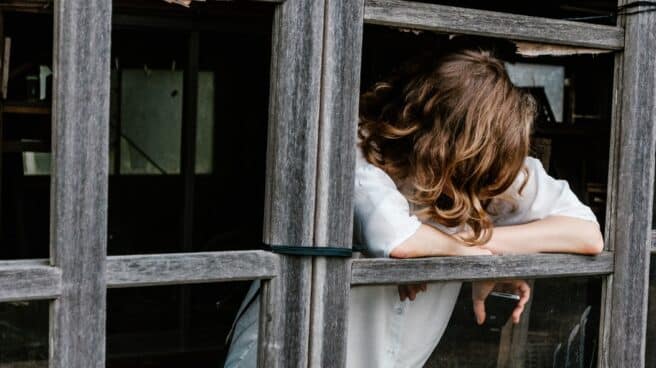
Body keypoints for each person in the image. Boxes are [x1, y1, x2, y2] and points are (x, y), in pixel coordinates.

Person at [224, 41, 603, 368]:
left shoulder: (493, 163)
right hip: (285, 352)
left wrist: (482, 251)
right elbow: (399, 241)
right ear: (445, 144)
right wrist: (474, 259)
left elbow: (586, 235)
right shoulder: (357, 146)